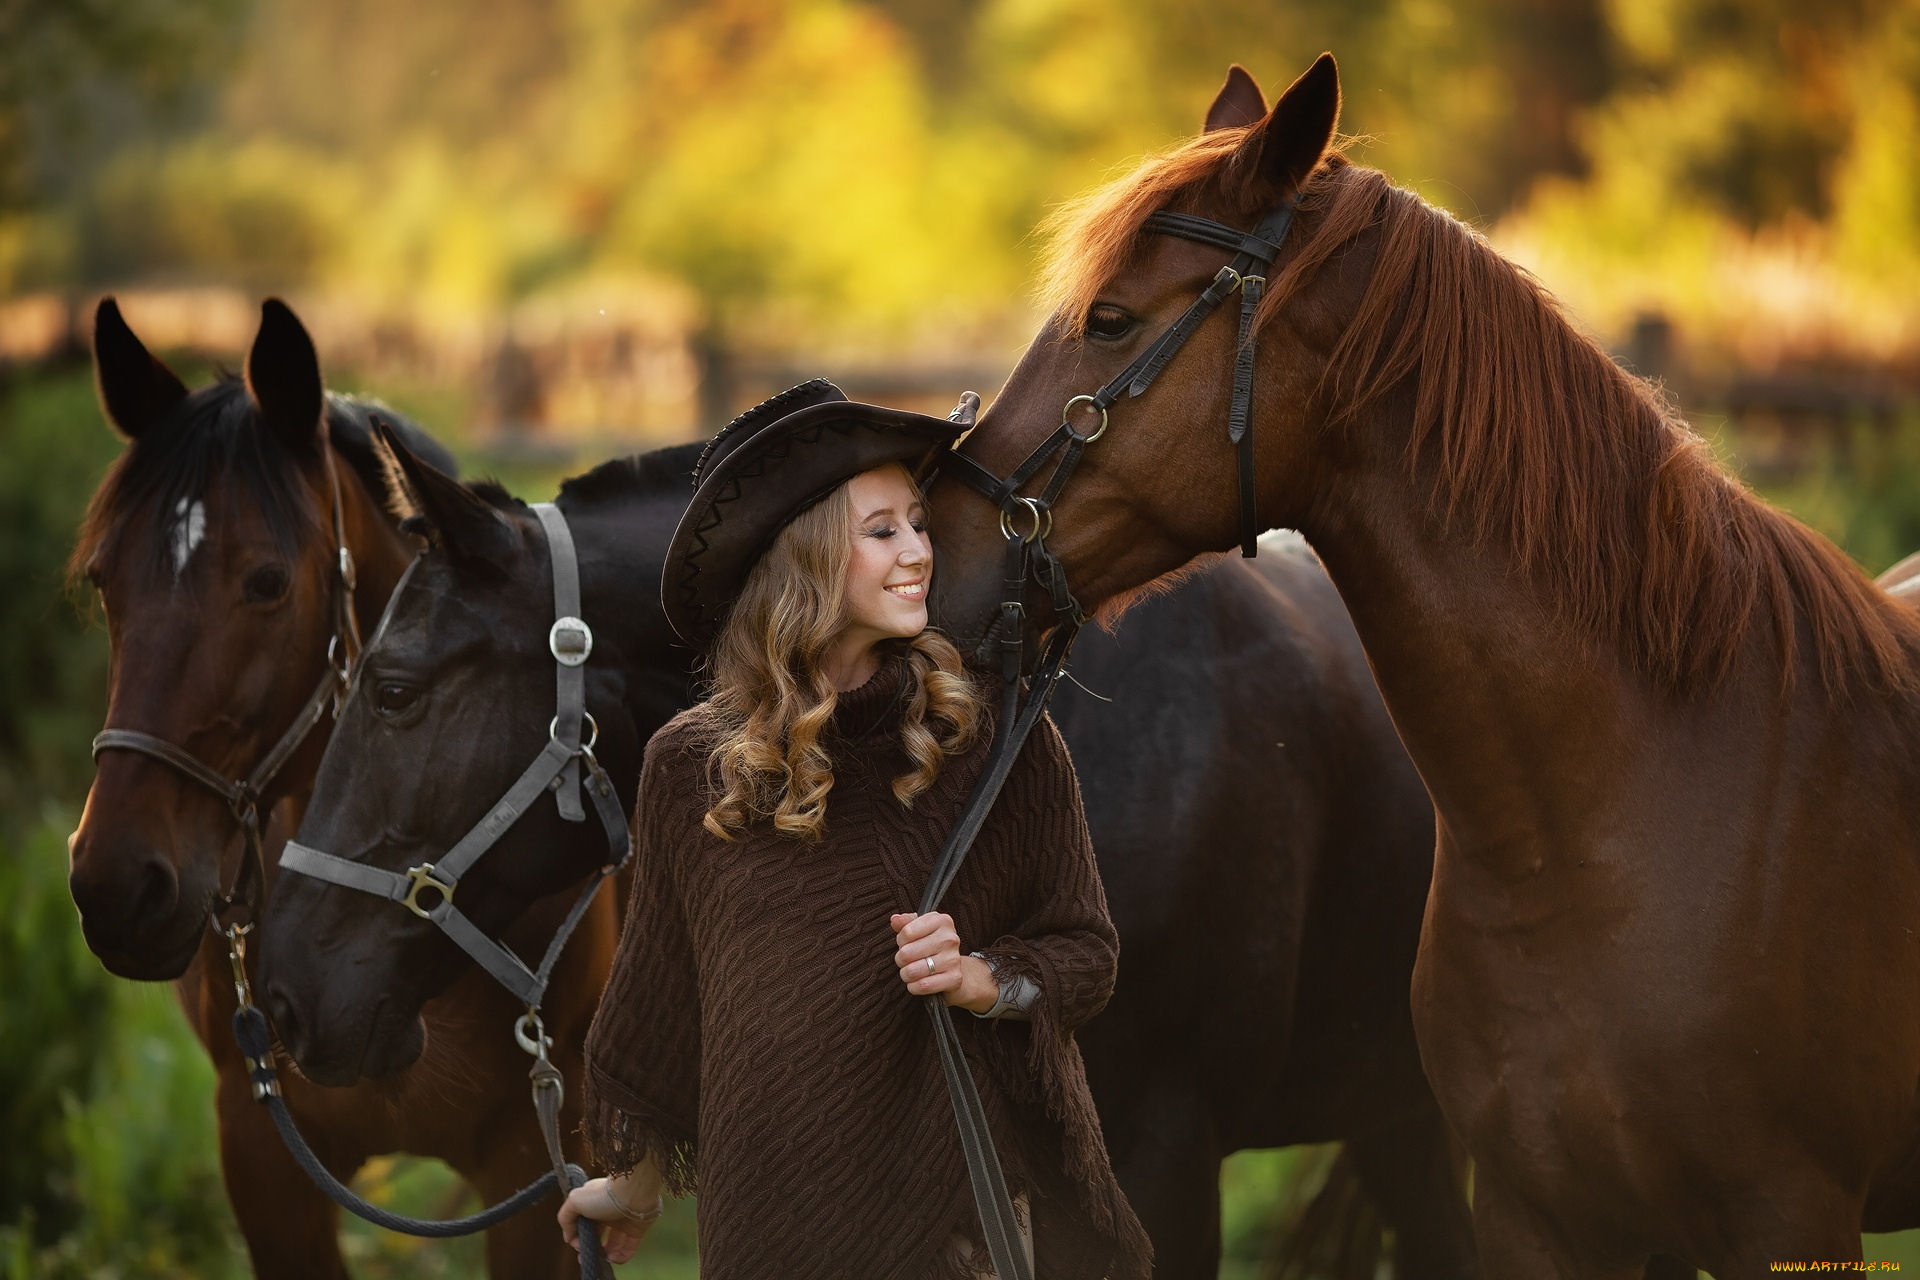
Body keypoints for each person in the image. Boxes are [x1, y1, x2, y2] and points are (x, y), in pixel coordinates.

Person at [557, 380, 1151, 1280]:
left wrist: (981, 977)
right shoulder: (693, 766)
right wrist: (631, 1188)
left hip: (959, 1236)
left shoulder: (992, 738)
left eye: (918, 522)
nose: (919, 551)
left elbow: (1088, 952)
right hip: (768, 1229)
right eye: (883, 531)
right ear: (803, 558)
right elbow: (662, 1003)